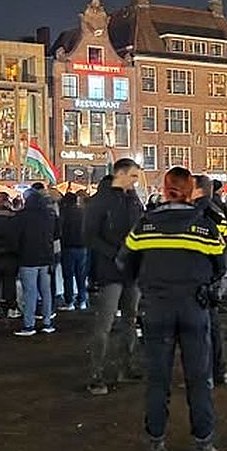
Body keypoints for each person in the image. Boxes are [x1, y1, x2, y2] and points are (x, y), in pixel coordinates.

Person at [117, 167, 225, 451]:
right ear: (191, 191)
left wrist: (147, 282)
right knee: (199, 378)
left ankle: (156, 447)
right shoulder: (204, 226)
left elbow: (124, 261)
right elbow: (221, 264)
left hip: (157, 308)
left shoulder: (145, 226)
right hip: (194, 307)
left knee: (157, 380)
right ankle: (204, 448)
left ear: (164, 190)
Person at [83, 158, 144, 396]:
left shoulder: (133, 200)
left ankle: (126, 366)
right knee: (105, 323)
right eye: (134, 176)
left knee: (130, 319)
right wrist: (116, 253)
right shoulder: (100, 201)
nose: (136, 182)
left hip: (132, 269)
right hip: (111, 271)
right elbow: (89, 236)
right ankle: (96, 374)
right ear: (120, 174)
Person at [192, 175, 227, 386]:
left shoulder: (194, 213)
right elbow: (222, 243)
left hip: (197, 275)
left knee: (197, 330)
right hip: (211, 274)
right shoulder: (218, 211)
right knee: (213, 328)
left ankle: (204, 374)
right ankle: (219, 370)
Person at [13, 188, 59, 336]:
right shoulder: (50, 216)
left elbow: (15, 238)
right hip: (46, 258)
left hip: (27, 259)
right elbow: (57, 234)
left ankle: (29, 325)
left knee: (30, 292)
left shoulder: (21, 217)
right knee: (46, 292)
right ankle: (47, 322)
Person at [58, 191, 88, 312]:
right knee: (81, 275)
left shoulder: (63, 214)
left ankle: (69, 301)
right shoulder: (83, 213)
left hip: (67, 247)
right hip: (82, 248)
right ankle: (82, 301)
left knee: (68, 276)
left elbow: (59, 230)